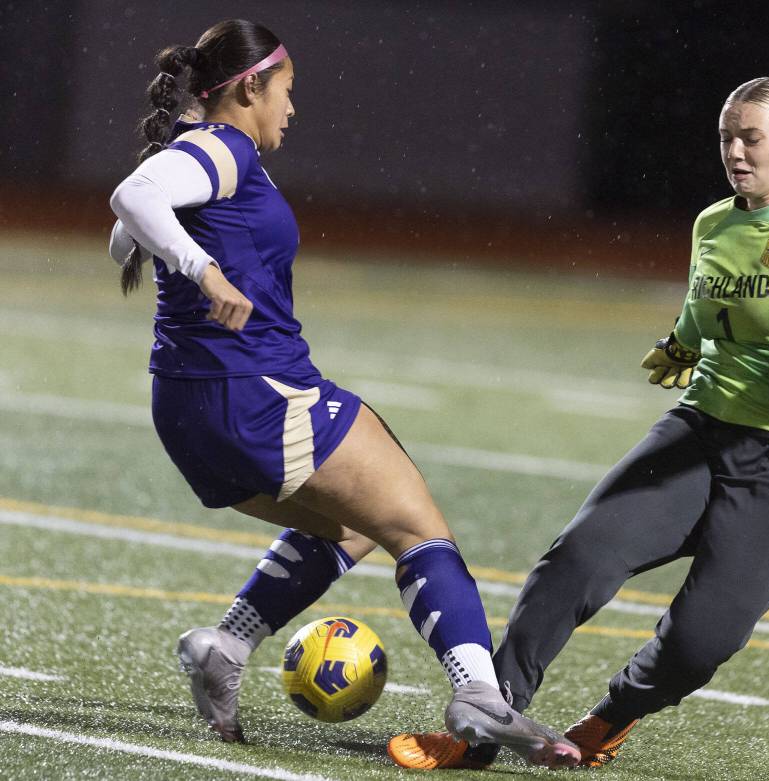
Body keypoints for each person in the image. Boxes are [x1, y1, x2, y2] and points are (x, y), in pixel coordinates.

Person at [386, 76, 769, 769]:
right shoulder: (713, 223)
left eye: (750, 136)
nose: (734, 149)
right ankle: (485, 722)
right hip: (697, 432)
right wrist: (681, 344)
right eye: (726, 135)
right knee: (575, 559)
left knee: (704, 640)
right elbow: (704, 308)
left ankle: (613, 716)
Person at [107, 19, 580, 769]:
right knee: (419, 526)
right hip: (259, 394)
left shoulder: (200, 152)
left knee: (351, 524)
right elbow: (133, 195)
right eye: (287, 92)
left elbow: (125, 231)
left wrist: (181, 253)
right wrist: (205, 271)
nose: (292, 110)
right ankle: (479, 694)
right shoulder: (221, 147)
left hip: (190, 408)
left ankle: (224, 646)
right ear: (250, 87)